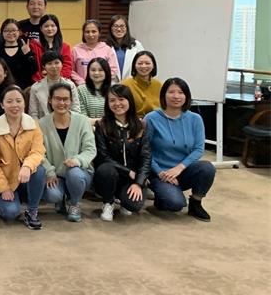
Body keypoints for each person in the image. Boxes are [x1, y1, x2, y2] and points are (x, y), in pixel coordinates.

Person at [144, 77, 216, 221]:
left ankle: (196, 203)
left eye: (181, 92)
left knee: (207, 168)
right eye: (171, 92)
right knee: (175, 204)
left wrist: (179, 168)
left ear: (186, 96)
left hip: (183, 170)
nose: (176, 96)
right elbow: (144, 151)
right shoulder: (151, 118)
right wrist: (160, 173)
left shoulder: (195, 119)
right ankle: (162, 196)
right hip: (159, 173)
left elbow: (198, 149)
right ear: (163, 95)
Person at [0, 85, 47, 230]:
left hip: (26, 177)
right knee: (10, 213)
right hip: (6, 180)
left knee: (39, 170)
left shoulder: (33, 125)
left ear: (24, 103)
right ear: (2, 105)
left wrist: (27, 166)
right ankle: (1, 196)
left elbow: (38, 151)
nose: (14, 105)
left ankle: (32, 211)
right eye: (9, 101)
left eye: (18, 101)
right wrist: (3, 188)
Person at [39, 82, 97, 222]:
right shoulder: (42, 124)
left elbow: (90, 149)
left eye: (65, 99)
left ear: (71, 101)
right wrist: (49, 171)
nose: (61, 103)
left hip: (80, 172)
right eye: (57, 99)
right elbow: (39, 152)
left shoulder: (82, 121)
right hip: (55, 174)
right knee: (53, 195)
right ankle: (61, 199)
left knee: (74, 174)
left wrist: (77, 160)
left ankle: (74, 203)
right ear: (50, 100)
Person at [92, 85, 150, 221]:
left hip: (132, 177)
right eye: (112, 100)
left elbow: (146, 157)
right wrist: (127, 171)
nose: (117, 103)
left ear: (129, 101)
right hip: (110, 175)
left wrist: (138, 182)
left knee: (133, 205)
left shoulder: (141, 125)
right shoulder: (102, 125)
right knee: (106, 169)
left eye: (121, 99)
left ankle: (124, 200)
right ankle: (108, 202)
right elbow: (102, 156)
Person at [28, 51, 80, 119]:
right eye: (49, 63)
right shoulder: (35, 88)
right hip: (43, 123)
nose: (54, 66)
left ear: (62, 64)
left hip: (67, 122)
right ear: (44, 66)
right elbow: (33, 113)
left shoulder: (70, 85)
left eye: (57, 63)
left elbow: (76, 109)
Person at [71, 19, 120, 85]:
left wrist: (100, 81)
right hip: (82, 86)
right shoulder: (75, 50)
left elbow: (113, 69)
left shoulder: (107, 49)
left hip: (102, 86)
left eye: (94, 31)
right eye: (87, 32)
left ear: (99, 33)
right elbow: (71, 70)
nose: (90, 34)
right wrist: (82, 82)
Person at [30, 14, 73, 82]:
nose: (50, 29)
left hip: (60, 83)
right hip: (40, 82)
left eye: (52, 26)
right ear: (41, 28)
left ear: (57, 27)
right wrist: (43, 81)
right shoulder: (33, 45)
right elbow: (33, 68)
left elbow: (67, 68)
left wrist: (55, 79)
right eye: (46, 26)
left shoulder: (65, 47)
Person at [0, 18, 37, 89]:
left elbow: (33, 70)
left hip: (23, 90)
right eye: (7, 30)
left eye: (13, 30)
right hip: (3, 90)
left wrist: (28, 54)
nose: (10, 33)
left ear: (19, 32)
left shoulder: (26, 48)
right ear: (2, 32)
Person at [122, 50, 162, 118]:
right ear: (134, 66)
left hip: (156, 120)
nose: (143, 66)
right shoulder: (125, 85)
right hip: (133, 121)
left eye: (147, 63)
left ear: (153, 65)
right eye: (140, 63)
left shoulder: (159, 85)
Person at [106, 15, 145, 82]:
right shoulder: (105, 46)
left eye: (122, 26)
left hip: (132, 83)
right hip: (111, 84)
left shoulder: (136, 45)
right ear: (110, 28)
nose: (119, 29)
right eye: (115, 26)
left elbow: (143, 64)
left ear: (127, 28)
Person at [77, 57, 112, 122]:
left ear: (106, 72)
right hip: (87, 126)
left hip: (110, 127)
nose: (96, 73)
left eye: (100, 70)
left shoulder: (113, 90)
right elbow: (81, 117)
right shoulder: (81, 90)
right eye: (93, 70)